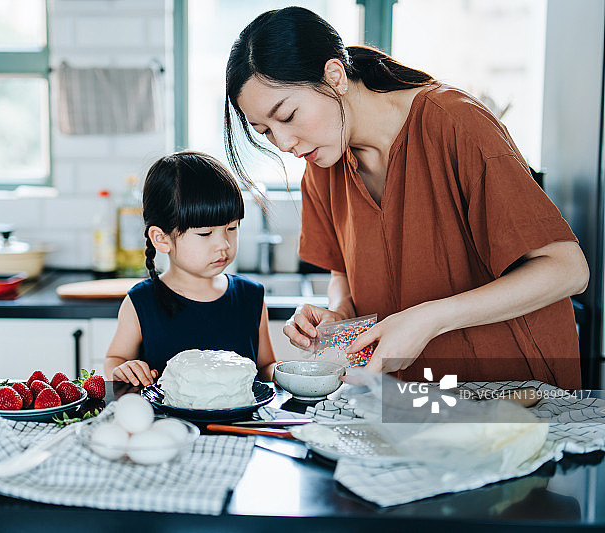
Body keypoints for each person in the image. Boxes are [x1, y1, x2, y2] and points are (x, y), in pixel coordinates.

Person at [224, 6, 588, 388]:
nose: (284, 143)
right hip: (416, 399)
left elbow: (568, 269)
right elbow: (343, 273)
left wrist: (427, 318)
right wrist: (340, 314)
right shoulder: (321, 163)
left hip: (514, 392)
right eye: (265, 131)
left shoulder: (454, 122)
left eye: (288, 115)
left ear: (334, 77)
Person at [103, 151, 277, 387]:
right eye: (205, 233)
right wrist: (123, 369)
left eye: (232, 228)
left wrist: (289, 373)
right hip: (167, 424)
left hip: (239, 424)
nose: (223, 244)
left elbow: (265, 368)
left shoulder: (251, 296)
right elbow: (116, 359)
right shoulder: (141, 302)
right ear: (162, 239)